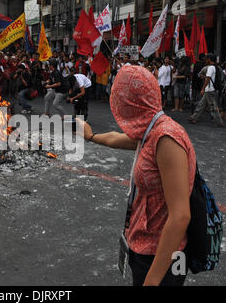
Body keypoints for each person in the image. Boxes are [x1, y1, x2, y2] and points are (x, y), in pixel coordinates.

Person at [78, 65, 196, 286]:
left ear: (131, 101)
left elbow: (180, 216)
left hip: (162, 256)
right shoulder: (151, 128)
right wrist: (91, 136)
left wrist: (152, 281)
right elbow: (118, 138)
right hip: (143, 245)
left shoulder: (167, 138)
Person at [189, 54, 224, 127]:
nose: (205, 60)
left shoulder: (211, 67)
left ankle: (219, 122)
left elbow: (208, 78)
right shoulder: (216, 67)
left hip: (209, 89)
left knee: (213, 106)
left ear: (209, 59)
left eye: (206, 59)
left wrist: (203, 88)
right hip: (210, 89)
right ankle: (194, 117)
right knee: (201, 104)